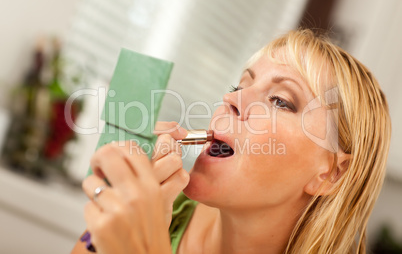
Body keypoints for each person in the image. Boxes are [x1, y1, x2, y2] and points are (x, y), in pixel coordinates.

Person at [71, 29, 391, 254]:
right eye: (239, 86)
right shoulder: (159, 213)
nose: (231, 99)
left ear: (331, 174)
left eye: (280, 100)